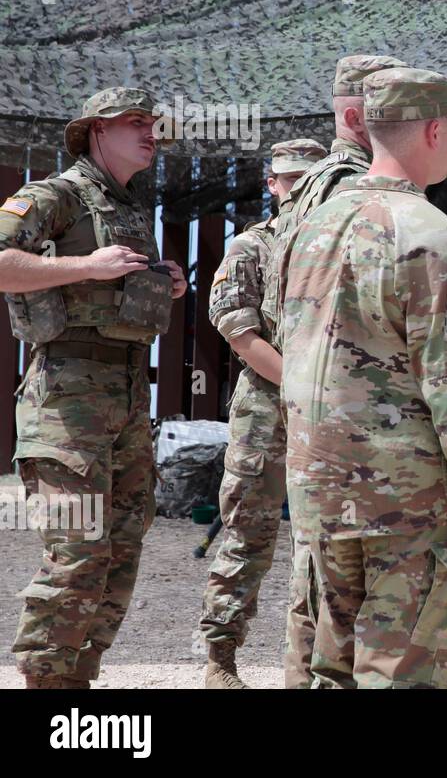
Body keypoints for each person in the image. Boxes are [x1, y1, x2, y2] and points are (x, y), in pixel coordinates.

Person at [279, 67, 447, 688]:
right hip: (409, 509)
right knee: (405, 673)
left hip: (319, 496)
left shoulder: (308, 227)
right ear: (435, 130)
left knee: (328, 672)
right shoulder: (435, 239)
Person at [0, 88, 187, 688]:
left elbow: (116, 290)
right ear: (96, 133)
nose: (150, 131)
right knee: (77, 555)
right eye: (135, 122)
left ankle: (74, 691)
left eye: (153, 123)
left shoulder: (130, 205)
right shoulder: (57, 195)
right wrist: (86, 266)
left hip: (128, 400)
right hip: (66, 402)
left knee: (121, 555)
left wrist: (163, 282)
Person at [262, 53, 409, 686]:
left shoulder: (323, 183)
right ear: (356, 115)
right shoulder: (347, 182)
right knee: (332, 596)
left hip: (318, 401)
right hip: (340, 407)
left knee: (320, 584)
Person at [199, 138, 328, 689]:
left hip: (327, 410)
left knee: (323, 538)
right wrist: (305, 388)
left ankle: (315, 665)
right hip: (269, 409)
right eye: (287, 180)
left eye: (307, 179)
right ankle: (220, 659)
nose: (296, 188)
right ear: (271, 185)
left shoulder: (337, 245)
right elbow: (239, 332)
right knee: (248, 530)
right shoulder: (253, 247)